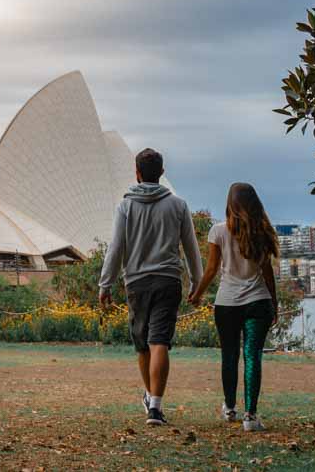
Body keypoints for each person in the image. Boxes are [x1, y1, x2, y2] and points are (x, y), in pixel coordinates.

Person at [99, 148, 203, 426]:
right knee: (160, 342)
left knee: (144, 344)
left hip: (136, 282)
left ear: (137, 172)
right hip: (169, 280)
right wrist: (197, 282)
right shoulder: (178, 205)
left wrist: (105, 284)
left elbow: (116, 248)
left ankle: (152, 399)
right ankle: (154, 403)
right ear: (162, 173)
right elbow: (191, 248)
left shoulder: (125, 206)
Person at [188, 182, 279, 432]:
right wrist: (275, 301)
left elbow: (211, 269)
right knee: (253, 357)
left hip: (227, 304)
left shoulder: (218, 232)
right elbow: (267, 272)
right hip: (258, 301)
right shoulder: (263, 232)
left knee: (229, 355)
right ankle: (250, 416)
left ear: (230, 203)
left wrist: (197, 293)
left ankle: (229, 408)